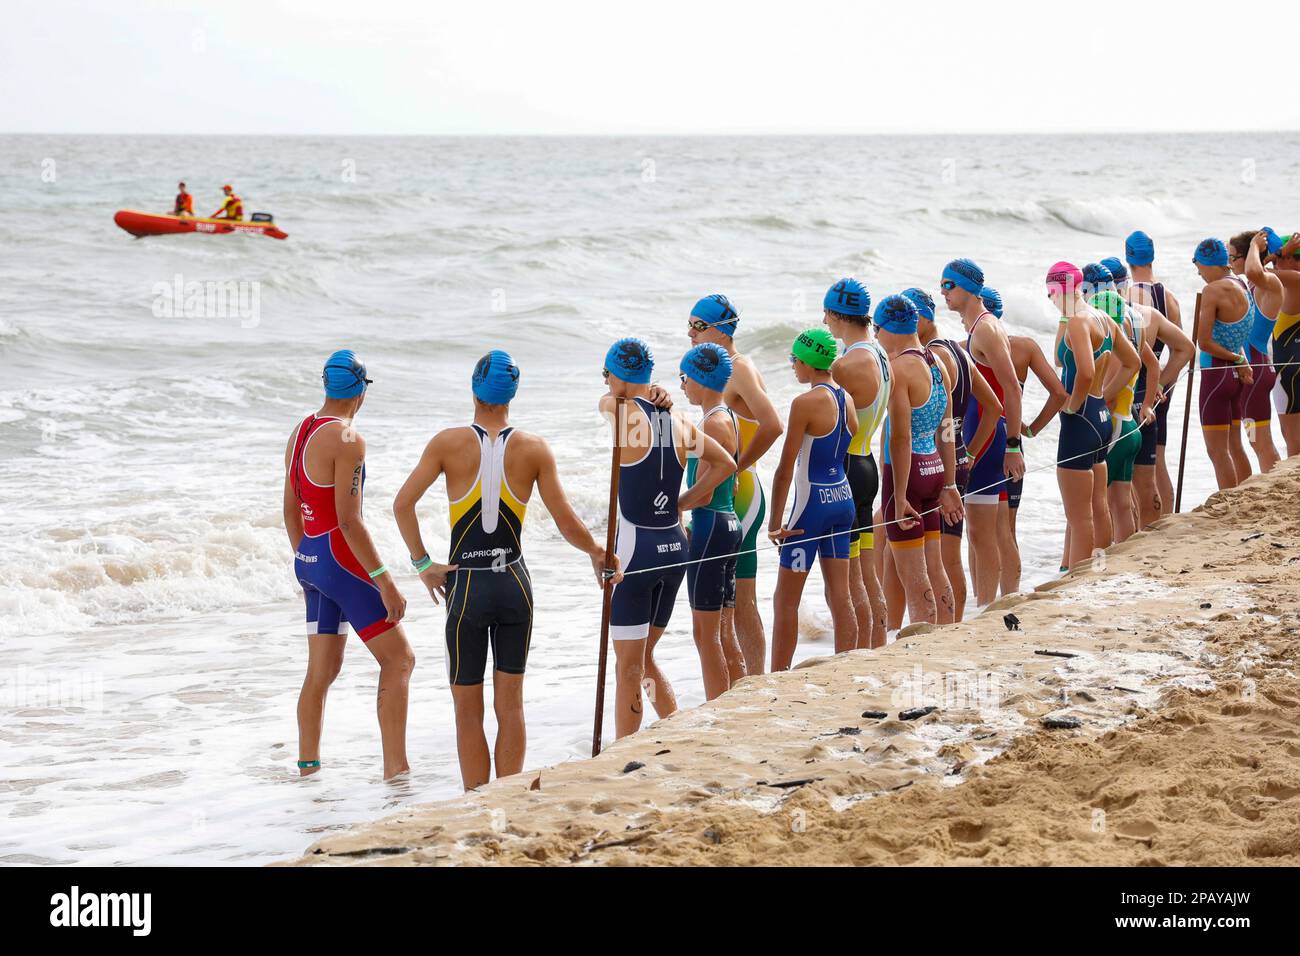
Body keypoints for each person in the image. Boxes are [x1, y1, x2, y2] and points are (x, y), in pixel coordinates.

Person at [392, 350, 617, 790]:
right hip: (515, 584)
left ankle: (476, 800)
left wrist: (423, 564)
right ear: (513, 393)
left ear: (474, 388)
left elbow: (402, 505)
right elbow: (565, 519)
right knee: (510, 706)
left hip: (467, 587)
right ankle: (509, 795)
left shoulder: (446, 443)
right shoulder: (534, 448)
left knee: (468, 709)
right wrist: (596, 551)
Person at [283, 350, 415, 781]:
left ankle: (308, 771)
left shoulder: (301, 430)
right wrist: (385, 581)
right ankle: (397, 773)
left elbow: (290, 507)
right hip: (340, 560)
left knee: (322, 670)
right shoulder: (348, 439)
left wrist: (307, 557)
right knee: (399, 660)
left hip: (310, 559)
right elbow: (349, 520)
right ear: (360, 390)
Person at [600, 337, 735, 738]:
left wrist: (628, 392)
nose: (604, 384)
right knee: (643, 658)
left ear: (618, 378)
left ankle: (624, 750)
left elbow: (610, 400)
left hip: (635, 553)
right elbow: (725, 463)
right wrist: (683, 502)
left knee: (628, 667)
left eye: (606, 374)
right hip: (676, 547)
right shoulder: (679, 423)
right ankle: (675, 729)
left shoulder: (617, 411)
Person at [687, 295, 782, 675]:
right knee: (737, 598)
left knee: (739, 600)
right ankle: (748, 679)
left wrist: (734, 467)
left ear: (719, 329)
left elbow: (773, 424)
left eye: (697, 325)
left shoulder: (738, 368)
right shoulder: (721, 368)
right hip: (736, 491)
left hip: (740, 493)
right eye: (689, 325)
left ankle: (751, 678)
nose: (689, 333)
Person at [768, 329, 858, 669]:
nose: (793, 367)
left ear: (809, 361)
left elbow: (784, 468)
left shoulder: (804, 403)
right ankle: (845, 664)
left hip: (811, 507)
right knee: (840, 594)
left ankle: (776, 675)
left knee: (785, 600)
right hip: (843, 498)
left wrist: (775, 523)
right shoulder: (846, 399)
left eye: (795, 360)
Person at [911, 286, 999, 621]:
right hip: (959, 455)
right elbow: (993, 407)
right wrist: (970, 452)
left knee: (945, 555)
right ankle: (953, 620)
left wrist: (942, 454)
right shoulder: (959, 351)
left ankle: (950, 623)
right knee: (949, 551)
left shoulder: (933, 356)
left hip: (939, 460)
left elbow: (941, 419)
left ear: (921, 318)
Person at [940, 259, 1024, 606]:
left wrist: (1014, 445)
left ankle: (989, 607)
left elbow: (1012, 388)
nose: (942, 292)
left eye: (948, 285)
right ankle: (1003, 601)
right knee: (994, 531)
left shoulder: (986, 329)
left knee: (981, 533)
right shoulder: (979, 328)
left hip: (988, 442)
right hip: (987, 437)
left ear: (967, 288)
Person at [877, 295, 963, 624]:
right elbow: (948, 429)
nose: (876, 337)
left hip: (908, 476)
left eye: (877, 328)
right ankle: (947, 632)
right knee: (935, 564)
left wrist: (898, 497)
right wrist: (950, 483)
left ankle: (924, 644)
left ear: (891, 328)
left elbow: (899, 437)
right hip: (934, 470)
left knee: (913, 576)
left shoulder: (899, 369)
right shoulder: (937, 363)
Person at [1049, 263, 1135, 571]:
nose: (1050, 300)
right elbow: (1133, 362)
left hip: (1079, 423)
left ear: (1059, 290)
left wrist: (1073, 405)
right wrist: (1103, 394)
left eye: (1050, 294)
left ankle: (1077, 579)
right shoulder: (1103, 318)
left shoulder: (1078, 322)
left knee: (1079, 516)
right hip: (1101, 419)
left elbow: (1083, 371)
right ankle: (1098, 571)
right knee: (1099, 508)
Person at [823, 277, 890, 648]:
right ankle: (876, 645)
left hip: (844, 471)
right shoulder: (880, 355)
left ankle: (851, 653)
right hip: (867, 466)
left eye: (826, 316)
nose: (825, 324)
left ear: (836, 315)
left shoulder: (846, 363)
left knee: (845, 579)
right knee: (867, 570)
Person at [679, 344, 747, 697]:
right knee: (723, 626)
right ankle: (739, 696)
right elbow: (732, 482)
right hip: (729, 523)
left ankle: (717, 707)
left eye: (684, 378)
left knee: (705, 632)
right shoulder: (729, 417)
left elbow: (704, 492)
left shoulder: (710, 423)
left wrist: (676, 507)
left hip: (710, 526)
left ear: (702, 380)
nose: (682, 386)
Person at [1109, 255, 1193, 530]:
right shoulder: (1150, 312)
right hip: (1150, 403)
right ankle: (1155, 536)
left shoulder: (1102, 320)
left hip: (1122, 406)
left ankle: (1129, 543)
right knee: (1151, 477)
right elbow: (1185, 349)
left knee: (1118, 488)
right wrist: (1160, 385)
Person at [1087, 278, 1158, 544]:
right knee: (1121, 504)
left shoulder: (1114, 349)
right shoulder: (1131, 339)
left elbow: (1108, 394)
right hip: (1130, 426)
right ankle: (1122, 559)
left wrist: (1093, 405)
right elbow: (1152, 365)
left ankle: (1097, 559)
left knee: (1099, 505)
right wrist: (1148, 403)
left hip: (1116, 428)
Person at [1124, 230, 1185, 518]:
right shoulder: (1168, 298)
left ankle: (1143, 524)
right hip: (1162, 385)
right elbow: (1182, 348)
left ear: (1128, 259)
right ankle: (1166, 520)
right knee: (1158, 458)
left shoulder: (1127, 296)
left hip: (1135, 387)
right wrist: (1162, 382)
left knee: (1134, 465)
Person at [1192, 238, 1255, 490]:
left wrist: (1239, 359)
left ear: (1209, 263)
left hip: (1216, 375)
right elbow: (1234, 333)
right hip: (1234, 376)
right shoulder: (1241, 284)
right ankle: (1246, 494)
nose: (1198, 273)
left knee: (1217, 451)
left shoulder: (1213, 290)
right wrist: (1240, 360)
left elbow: (1204, 342)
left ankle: (1228, 501)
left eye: (1199, 266)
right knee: (1235, 445)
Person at [1229, 230, 1281, 473]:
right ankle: (1272, 478)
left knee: (1259, 440)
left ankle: (1273, 481)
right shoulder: (1253, 283)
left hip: (1256, 371)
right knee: (1257, 439)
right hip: (1255, 368)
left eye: (1233, 258)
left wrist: (1253, 246)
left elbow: (1254, 270)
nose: (1229, 264)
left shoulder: (1268, 281)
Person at [1269, 232, 1300, 456]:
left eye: (1280, 257)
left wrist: (1279, 252)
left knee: (1293, 441)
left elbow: (1252, 272)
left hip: (1289, 371)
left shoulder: (1293, 281)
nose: (1276, 262)